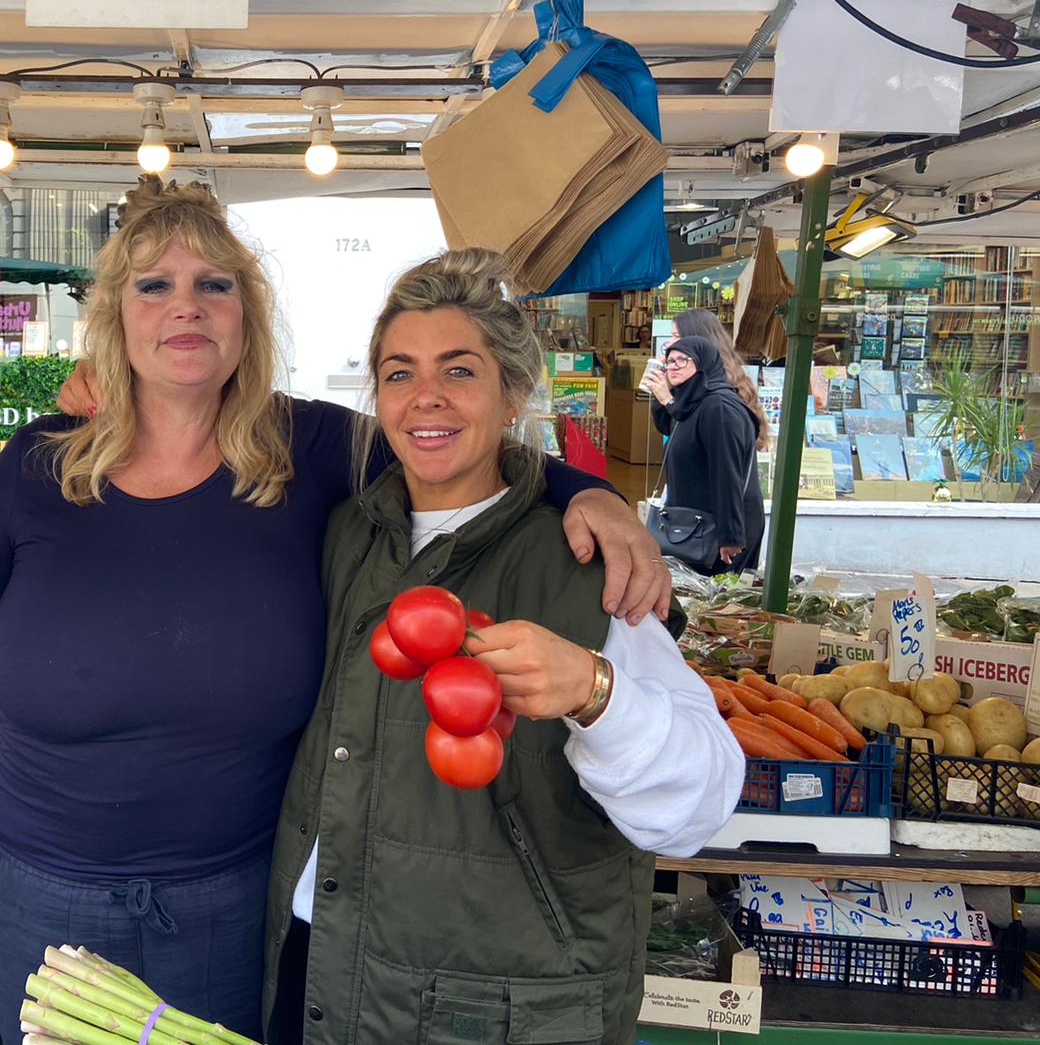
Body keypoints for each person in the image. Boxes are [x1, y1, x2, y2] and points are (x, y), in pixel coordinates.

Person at [0, 178, 669, 1045]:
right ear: (115, 317)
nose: (187, 306)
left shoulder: (312, 449)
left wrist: (588, 492)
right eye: (155, 285)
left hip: (229, 900)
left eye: (215, 285)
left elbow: (447, 441)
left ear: (246, 316)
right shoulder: (39, 465)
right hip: (41, 891)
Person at [260, 250, 743, 1045]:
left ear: (513, 393)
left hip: (496, 1003)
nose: (426, 398)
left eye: (459, 371)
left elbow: (701, 805)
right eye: (398, 372)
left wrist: (596, 692)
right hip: (321, 969)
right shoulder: (347, 532)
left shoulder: (586, 560)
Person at [644, 336, 764, 574]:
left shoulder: (718, 407)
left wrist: (730, 536)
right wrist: (664, 398)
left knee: (716, 603)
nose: (674, 366)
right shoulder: (693, 404)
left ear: (703, 363)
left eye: (682, 360)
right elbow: (671, 425)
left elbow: (726, 472)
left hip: (719, 532)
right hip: (693, 526)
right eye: (670, 361)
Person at [651, 308, 769, 448]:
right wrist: (665, 394)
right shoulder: (691, 379)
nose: (671, 343)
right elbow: (669, 427)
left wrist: (668, 400)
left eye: (677, 336)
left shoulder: (718, 397)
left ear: (698, 339)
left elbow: (722, 456)